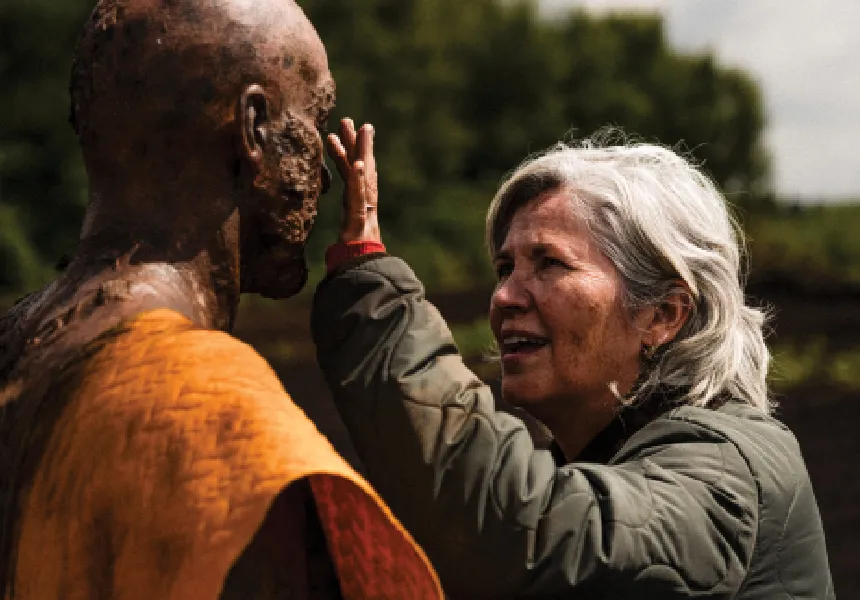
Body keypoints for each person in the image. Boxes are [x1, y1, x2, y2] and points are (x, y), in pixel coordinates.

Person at [0, 2, 443, 598]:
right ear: (254, 128)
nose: (330, 173)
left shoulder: (17, 350)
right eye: (315, 117)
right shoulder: (215, 418)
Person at [313, 120, 835, 599]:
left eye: (549, 263)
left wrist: (372, 285)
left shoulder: (724, 467)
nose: (504, 297)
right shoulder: (610, 455)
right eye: (504, 267)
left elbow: (532, 534)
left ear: (662, 314)